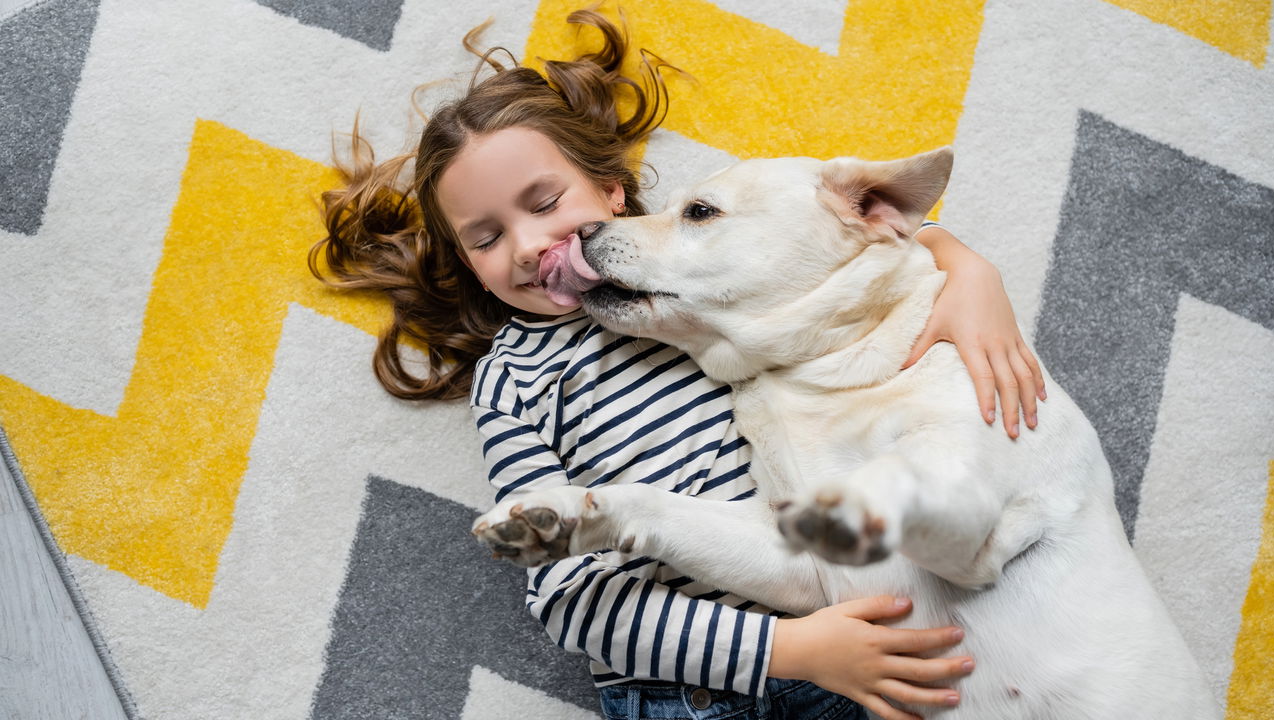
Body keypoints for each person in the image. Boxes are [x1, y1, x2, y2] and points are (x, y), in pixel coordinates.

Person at [312, 10, 1045, 720]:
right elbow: (571, 600)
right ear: (469, 265)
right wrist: (787, 650)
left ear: (610, 188)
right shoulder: (514, 383)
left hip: (852, 627)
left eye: (545, 202)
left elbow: (834, 247)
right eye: (485, 238)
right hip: (690, 691)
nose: (530, 246)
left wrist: (965, 268)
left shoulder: (697, 266)